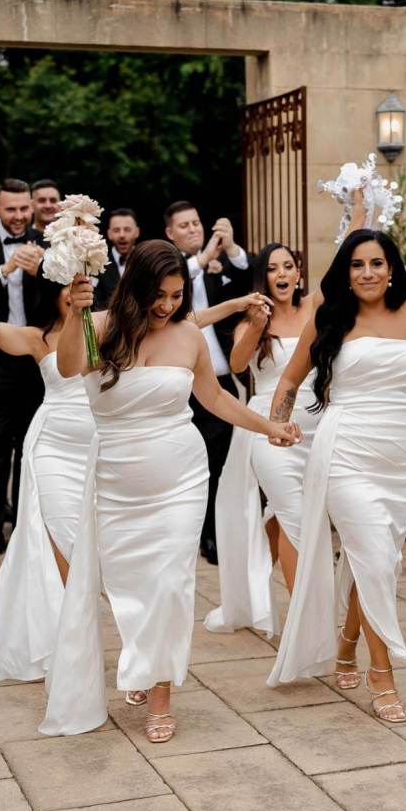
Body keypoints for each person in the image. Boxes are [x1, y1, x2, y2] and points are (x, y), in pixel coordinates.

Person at [39, 241, 299, 741]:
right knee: (125, 584)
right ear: (135, 289)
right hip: (116, 481)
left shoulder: (188, 336)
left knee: (171, 585)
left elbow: (215, 397)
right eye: (158, 295)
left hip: (181, 477)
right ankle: (142, 658)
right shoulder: (98, 329)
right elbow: (70, 368)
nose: (167, 306)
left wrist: (268, 426)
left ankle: (160, 694)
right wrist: (75, 312)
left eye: (177, 296)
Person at [266, 172, 406, 723]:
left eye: (377, 263)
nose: (367, 272)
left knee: (378, 559)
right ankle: (381, 672)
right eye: (357, 264)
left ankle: (345, 641)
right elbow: (289, 382)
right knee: (374, 556)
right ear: (347, 271)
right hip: (344, 450)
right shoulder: (330, 318)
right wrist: (279, 427)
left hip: (398, 454)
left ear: (393, 270)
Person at [0, 232, 96, 681]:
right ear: (54, 293)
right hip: (53, 446)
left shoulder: (104, 328)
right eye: (66, 288)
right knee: (60, 538)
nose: (73, 294)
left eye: (80, 286)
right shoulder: (39, 338)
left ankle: (73, 634)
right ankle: (68, 641)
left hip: (96, 448)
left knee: (96, 548)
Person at [205, 242, 320, 637]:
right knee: (293, 517)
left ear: (299, 273)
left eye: (289, 266)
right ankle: (306, 618)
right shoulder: (254, 319)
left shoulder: (314, 310)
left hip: (317, 427)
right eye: (273, 268)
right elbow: (237, 365)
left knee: (282, 521)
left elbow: (345, 261)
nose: (282, 274)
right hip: (267, 427)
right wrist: (256, 324)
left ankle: (248, 592)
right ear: (263, 278)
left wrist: (358, 207)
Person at [164, 201, 253, 565]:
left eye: (196, 222)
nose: (193, 229)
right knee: (182, 465)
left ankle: (213, 534)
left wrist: (230, 250)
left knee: (218, 464)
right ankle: (182, 533)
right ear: (169, 233)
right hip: (177, 388)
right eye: (183, 225)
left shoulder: (217, 267)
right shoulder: (173, 270)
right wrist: (200, 263)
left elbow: (247, 283)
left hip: (219, 382)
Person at [0, 179, 45, 558]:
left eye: (23, 209)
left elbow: (61, 298)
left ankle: (21, 527)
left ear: (31, 207)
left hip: (36, 360)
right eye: (10, 209)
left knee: (30, 448)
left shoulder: (45, 242)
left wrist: (41, 271)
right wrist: (2, 269)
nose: (18, 217)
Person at [94, 208, 141, 311]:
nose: (122, 235)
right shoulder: (96, 263)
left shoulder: (147, 261)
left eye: (127, 230)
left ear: (137, 232)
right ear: (109, 234)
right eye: (116, 230)